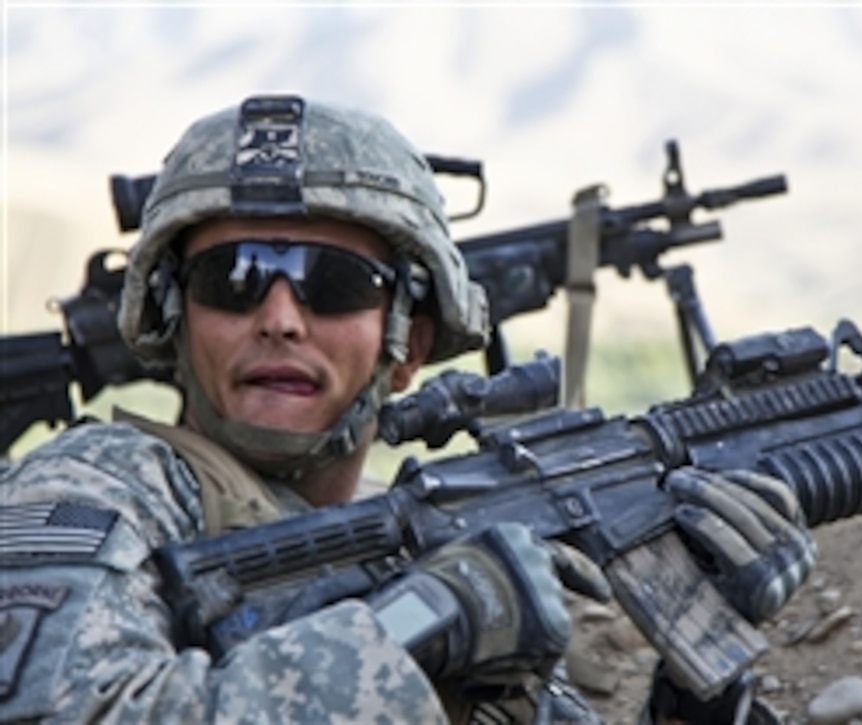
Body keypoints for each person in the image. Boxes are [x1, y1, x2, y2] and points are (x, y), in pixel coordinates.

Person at [0, 94, 816, 723]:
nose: (280, 317)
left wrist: (698, 688)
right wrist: (423, 619)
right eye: (235, 278)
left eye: (334, 284)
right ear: (176, 320)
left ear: (409, 345)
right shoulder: (96, 486)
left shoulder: (421, 546)